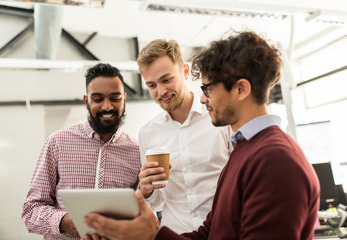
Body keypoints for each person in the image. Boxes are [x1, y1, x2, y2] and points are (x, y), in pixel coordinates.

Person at [83, 31, 320, 240]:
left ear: (241, 89)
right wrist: (148, 232)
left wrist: (150, 235)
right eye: (152, 85)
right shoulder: (245, 149)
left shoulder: (276, 160)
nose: (203, 98)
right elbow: (211, 231)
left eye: (208, 89)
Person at [21, 63, 141, 240]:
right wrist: (63, 221)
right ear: (87, 101)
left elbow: (144, 212)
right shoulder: (57, 143)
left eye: (115, 98)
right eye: (98, 99)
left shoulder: (137, 151)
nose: (107, 106)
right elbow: (30, 212)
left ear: (124, 99)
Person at [136, 39, 232, 233]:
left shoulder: (220, 119)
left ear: (185, 71)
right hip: (176, 234)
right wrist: (146, 190)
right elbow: (156, 204)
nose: (161, 91)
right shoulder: (148, 133)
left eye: (166, 80)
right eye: (152, 85)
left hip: (223, 231)